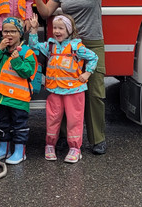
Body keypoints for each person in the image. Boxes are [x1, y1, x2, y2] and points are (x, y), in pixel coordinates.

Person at [32, 0, 127, 155]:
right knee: (65, 92)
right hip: (66, 47)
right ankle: (67, 138)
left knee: (94, 93)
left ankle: (97, 140)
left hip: (92, 43)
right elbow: (46, 12)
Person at [28, 13, 98, 163]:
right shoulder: (50, 45)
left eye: (61, 28)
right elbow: (34, 46)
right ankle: (50, 145)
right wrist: (34, 30)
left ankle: (75, 148)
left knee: (74, 119)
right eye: (55, 28)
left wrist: (87, 73)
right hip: (54, 90)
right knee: (52, 119)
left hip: (75, 91)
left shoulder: (76, 46)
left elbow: (93, 57)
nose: (57, 31)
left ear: (69, 30)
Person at [0, 17, 37, 165]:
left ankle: (20, 152)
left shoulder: (26, 52)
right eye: (5, 31)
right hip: (2, 97)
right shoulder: (2, 50)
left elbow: (28, 72)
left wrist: (16, 61)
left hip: (19, 99)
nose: (9, 34)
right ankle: (4, 149)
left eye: (13, 31)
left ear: (20, 33)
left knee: (19, 126)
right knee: (2, 124)